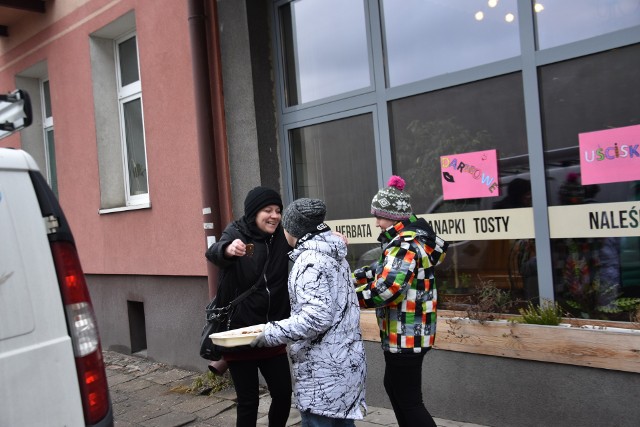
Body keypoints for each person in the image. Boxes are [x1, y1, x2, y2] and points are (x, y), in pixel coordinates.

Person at [251, 198, 367, 427]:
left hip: (323, 373)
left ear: (292, 228)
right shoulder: (334, 253)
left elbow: (316, 318)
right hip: (346, 366)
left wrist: (269, 332)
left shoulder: (309, 262)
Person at [352, 176, 448, 427]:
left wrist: (350, 298)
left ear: (394, 217)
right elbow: (382, 270)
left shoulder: (404, 244)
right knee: (394, 387)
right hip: (406, 332)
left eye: (379, 217)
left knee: (409, 400)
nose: (376, 223)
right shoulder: (406, 240)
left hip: (406, 333)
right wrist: (352, 278)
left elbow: (387, 288)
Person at [205, 186, 292, 427]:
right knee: (248, 401)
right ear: (254, 212)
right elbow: (213, 252)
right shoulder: (237, 231)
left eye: (278, 210)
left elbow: (308, 236)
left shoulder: (281, 237)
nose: (274, 215)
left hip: (272, 332)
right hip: (239, 334)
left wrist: (329, 234)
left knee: (283, 394)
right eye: (268, 210)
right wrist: (228, 249)